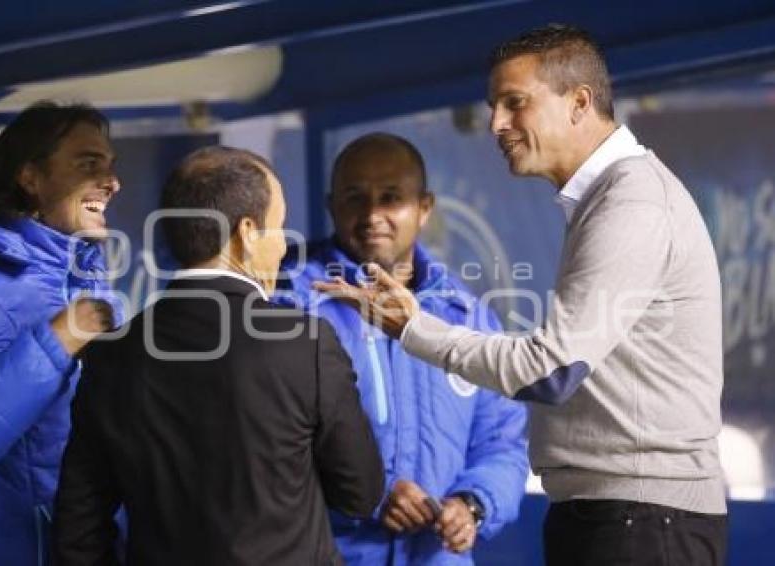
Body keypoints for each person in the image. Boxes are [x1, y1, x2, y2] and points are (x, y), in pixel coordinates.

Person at [316, 24, 727, 566]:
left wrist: (412, 327)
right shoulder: (608, 201)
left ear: (580, 102)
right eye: (493, 107)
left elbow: (549, 371)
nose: (496, 124)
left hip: (641, 522)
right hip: (621, 515)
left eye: (515, 103)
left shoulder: (631, 204)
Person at [52, 146, 385, 565]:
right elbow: (360, 494)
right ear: (247, 232)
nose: (282, 246)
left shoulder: (111, 355)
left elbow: (78, 529)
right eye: (279, 228)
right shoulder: (307, 344)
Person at [277, 133, 528, 565]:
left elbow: (502, 441)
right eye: (355, 197)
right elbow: (271, 445)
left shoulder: (465, 315)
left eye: (391, 197)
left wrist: (473, 504)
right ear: (331, 205)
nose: (372, 214)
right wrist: (372, 495)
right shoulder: (292, 301)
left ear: (424, 208)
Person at [0, 101, 120, 566]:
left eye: (110, 166)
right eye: (88, 164)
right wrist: (54, 344)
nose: (112, 182)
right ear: (30, 177)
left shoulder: (80, 275)